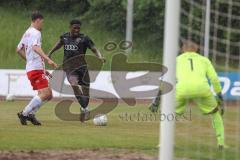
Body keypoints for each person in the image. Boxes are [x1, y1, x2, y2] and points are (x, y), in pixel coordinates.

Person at [149, 40, 225, 149]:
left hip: (182, 90)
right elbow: (214, 79)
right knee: (215, 113)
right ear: (197, 48)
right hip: (202, 89)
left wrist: (157, 100)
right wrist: (219, 95)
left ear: (182, 49)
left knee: (168, 114)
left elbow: (165, 81)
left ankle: (164, 143)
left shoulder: (175, 60)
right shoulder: (204, 60)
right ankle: (221, 142)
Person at [48, 19, 105, 122]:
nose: (77, 30)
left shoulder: (84, 38)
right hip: (69, 67)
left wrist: (100, 57)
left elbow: (94, 49)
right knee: (74, 83)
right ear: (70, 27)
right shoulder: (64, 37)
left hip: (82, 68)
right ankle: (86, 109)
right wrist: (50, 53)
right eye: (75, 28)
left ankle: (83, 108)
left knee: (86, 95)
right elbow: (59, 44)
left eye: (78, 28)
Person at [16, 11, 58, 125]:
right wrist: (48, 59)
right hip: (36, 68)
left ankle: (31, 114)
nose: (42, 25)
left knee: (48, 95)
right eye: (42, 23)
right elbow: (35, 47)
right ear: (38, 21)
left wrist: (29, 61)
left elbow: (18, 49)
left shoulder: (27, 33)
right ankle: (25, 113)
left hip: (33, 68)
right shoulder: (36, 33)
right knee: (46, 94)